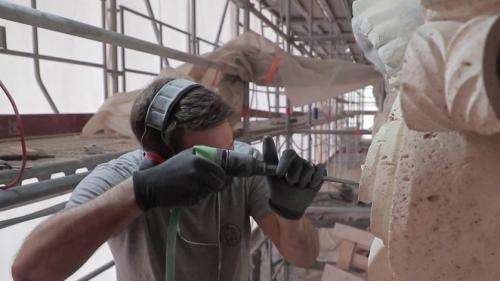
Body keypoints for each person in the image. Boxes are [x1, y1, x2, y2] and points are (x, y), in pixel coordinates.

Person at [12, 77, 326, 281]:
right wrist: (140, 194)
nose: (233, 163)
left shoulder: (245, 169)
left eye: (230, 147)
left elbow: (303, 255)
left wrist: (292, 218)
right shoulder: (119, 179)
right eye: (216, 158)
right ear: (159, 159)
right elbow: (29, 272)